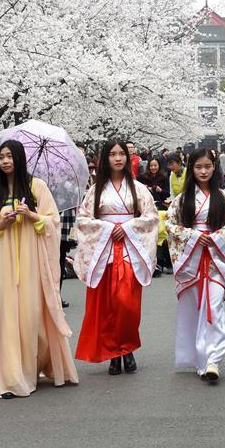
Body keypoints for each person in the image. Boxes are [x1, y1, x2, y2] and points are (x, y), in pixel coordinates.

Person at [0, 140, 78, 398]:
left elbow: (53, 223)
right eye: (1, 157)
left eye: (10, 156)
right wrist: (0, 224)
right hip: (2, 260)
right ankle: (11, 378)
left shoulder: (37, 187)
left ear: (19, 158)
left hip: (32, 260)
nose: (5, 161)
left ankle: (33, 366)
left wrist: (32, 216)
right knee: (7, 317)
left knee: (31, 315)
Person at [75, 140, 158, 375]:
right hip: (104, 250)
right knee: (108, 305)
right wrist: (108, 228)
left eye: (122, 153)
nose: (118, 158)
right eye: (113, 154)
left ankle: (127, 348)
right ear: (106, 158)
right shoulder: (95, 191)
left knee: (127, 303)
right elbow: (83, 220)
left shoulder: (139, 189)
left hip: (130, 249)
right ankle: (114, 352)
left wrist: (129, 227)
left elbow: (151, 218)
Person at [166, 148, 225, 381]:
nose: (203, 171)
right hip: (191, 258)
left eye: (207, 166)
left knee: (215, 305)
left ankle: (213, 360)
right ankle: (201, 358)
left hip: (216, 258)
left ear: (214, 167)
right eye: (198, 167)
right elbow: (170, 224)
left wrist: (217, 236)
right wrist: (193, 236)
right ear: (192, 169)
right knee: (194, 308)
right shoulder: (182, 199)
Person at [138, 158, 172, 275]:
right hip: (145, 207)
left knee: (160, 234)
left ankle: (161, 261)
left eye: (155, 165)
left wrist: (160, 190)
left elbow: (167, 193)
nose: (153, 168)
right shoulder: (141, 178)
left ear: (159, 166)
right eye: (151, 166)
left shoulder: (164, 178)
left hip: (160, 208)